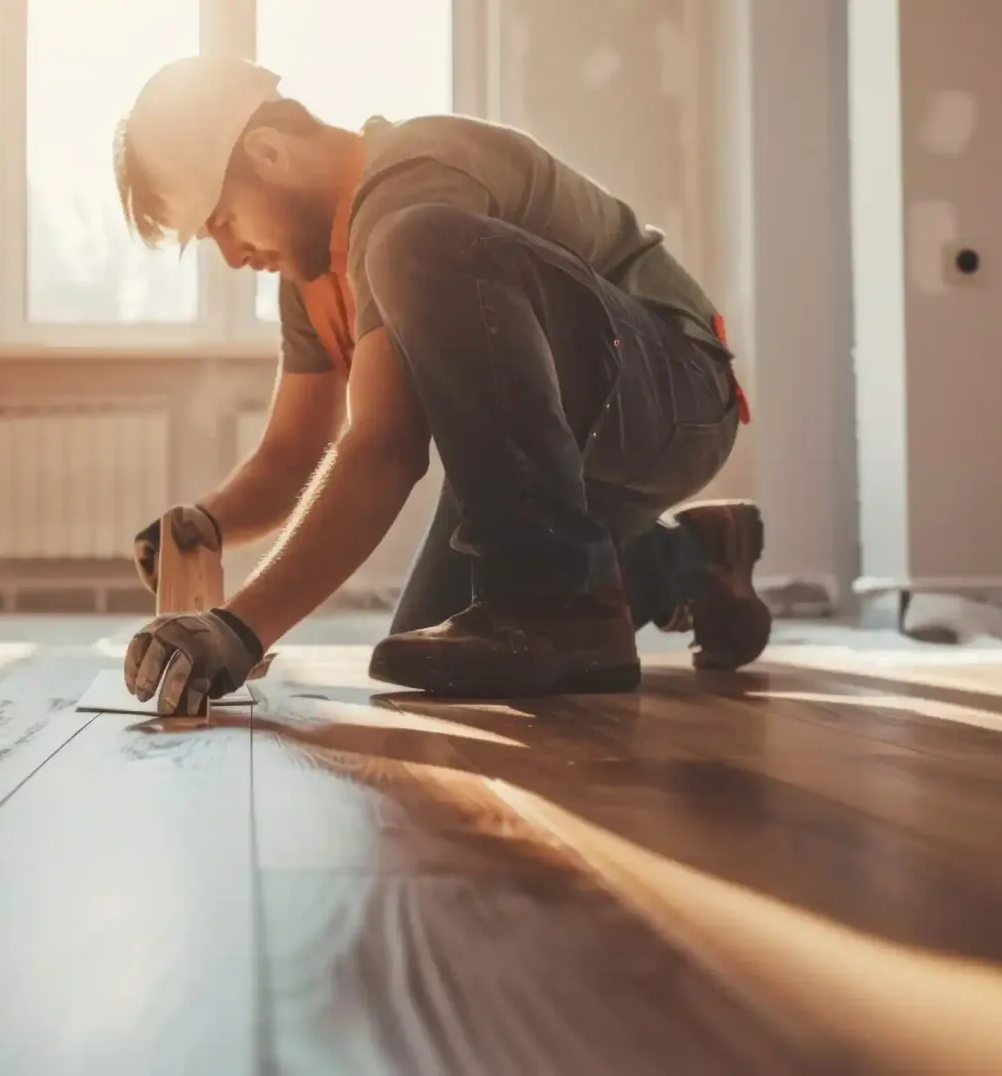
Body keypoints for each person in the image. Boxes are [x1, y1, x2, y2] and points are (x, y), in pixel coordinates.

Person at [115, 55, 770, 715]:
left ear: (269, 153)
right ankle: (692, 560)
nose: (231, 256)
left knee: (415, 240)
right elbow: (291, 457)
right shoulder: (312, 274)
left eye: (224, 220)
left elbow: (385, 446)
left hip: (674, 388)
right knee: (435, 649)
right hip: (564, 449)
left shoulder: (417, 176)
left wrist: (237, 626)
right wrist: (210, 522)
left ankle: (557, 602)